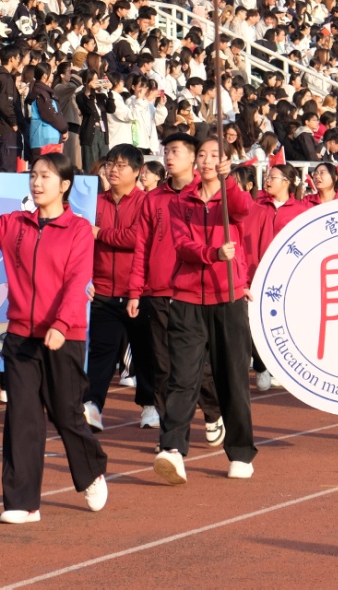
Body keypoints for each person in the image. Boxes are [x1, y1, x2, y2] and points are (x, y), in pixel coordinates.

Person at [0, 149, 109, 523]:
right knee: (22, 418)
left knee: (66, 413)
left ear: (65, 185)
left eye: (46, 176)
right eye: (33, 175)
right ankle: (23, 502)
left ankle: (91, 471)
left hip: (64, 336)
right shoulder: (14, 224)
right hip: (20, 338)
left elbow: (77, 282)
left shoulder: (79, 230)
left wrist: (60, 325)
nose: (37, 182)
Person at [154, 136, 256, 484]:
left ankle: (240, 453)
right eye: (203, 154)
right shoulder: (180, 202)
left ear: (226, 161)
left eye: (216, 155)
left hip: (227, 298)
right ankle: (172, 448)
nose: (208, 160)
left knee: (233, 379)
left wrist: (228, 183)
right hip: (186, 300)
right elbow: (182, 246)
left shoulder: (232, 196)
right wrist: (212, 254)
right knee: (182, 378)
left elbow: (243, 210)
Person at [128, 131, 226, 449]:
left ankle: (213, 412)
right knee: (162, 366)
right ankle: (171, 435)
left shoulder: (207, 193)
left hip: (195, 292)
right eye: (166, 151)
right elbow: (142, 246)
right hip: (158, 292)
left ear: (193, 157)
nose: (168, 157)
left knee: (198, 366)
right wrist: (135, 290)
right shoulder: (153, 199)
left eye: (176, 151)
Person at [84, 144, 155, 430]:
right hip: (102, 290)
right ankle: (93, 405)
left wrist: (100, 233)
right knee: (101, 351)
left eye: (121, 165)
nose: (113, 169)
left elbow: (137, 238)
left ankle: (150, 405)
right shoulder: (93, 202)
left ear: (137, 172)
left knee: (144, 352)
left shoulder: (145, 203)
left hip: (138, 290)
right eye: (111, 163)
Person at [245, 162, 308, 391]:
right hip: (256, 273)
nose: (267, 180)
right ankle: (261, 365)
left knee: (282, 324)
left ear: (287, 182)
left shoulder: (300, 211)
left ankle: (281, 368)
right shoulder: (257, 206)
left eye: (272, 177)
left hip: (285, 277)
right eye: (267, 176)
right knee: (252, 323)